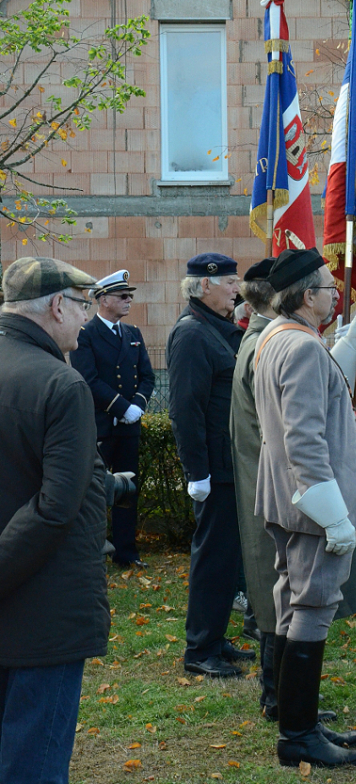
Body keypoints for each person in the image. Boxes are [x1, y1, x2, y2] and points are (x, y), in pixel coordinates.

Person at [230, 258, 356, 741]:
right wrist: (334, 517)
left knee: (290, 601)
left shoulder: (277, 338)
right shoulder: (301, 347)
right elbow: (304, 438)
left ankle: (295, 722)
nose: (335, 295)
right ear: (308, 296)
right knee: (313, 605)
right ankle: (299, 734)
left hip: (285, 499)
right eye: (330, 288)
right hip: (311, 504)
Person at [0, 257, 111, 784]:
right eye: (83, 305)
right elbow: (55, 507)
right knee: (34, 764)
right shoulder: (61, 385)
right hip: (43, 613)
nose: (87, 319)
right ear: (57, 305)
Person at [166, 253, 255, 680]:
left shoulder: (217, 331)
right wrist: (195, 473)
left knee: (227, 560)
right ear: (204, 286)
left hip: (229, 466)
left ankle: (215, 638)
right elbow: (186, 410)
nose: (236, 289)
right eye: (230, 282)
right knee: (213, 560)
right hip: (214, 471)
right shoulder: (191, 335)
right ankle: (200, 648)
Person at [70, 269, 155, 567]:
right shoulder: (85, 334)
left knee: (128, 490)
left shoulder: (132, 334)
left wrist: (139, 406)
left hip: (129, 427)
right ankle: (92, 551)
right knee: (94, 492)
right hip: (101, 425)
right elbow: (88, 379)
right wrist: (121, 407)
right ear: (102, 299)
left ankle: (126, 553)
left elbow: (147, 375)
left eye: (130, 296)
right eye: (122, 296)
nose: (129, 300)